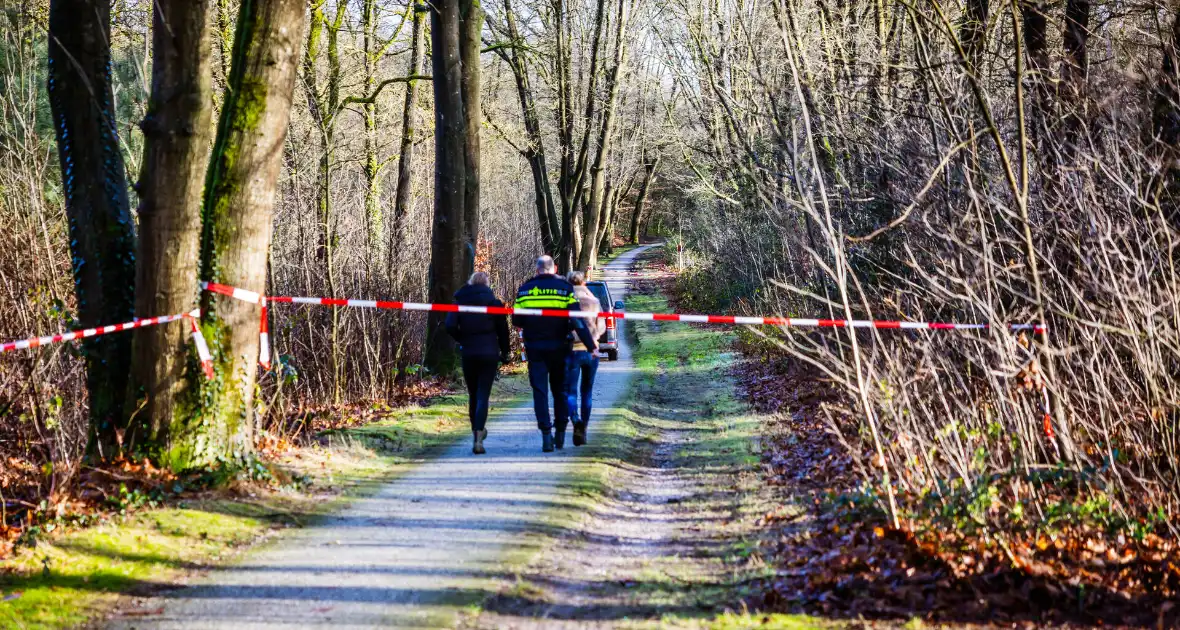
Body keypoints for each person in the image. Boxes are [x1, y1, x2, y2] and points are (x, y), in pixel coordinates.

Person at [513, 255, 599, 452]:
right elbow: (577, 321)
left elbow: (517, 320)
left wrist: (533, 322)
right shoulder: (564, 289)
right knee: (560, 390)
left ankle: (546, 435)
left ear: (537, 270)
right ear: (555, 268)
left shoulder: (525, 289)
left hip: (535, 348)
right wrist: (590, 345)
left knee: (540, 391)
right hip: (560, 348)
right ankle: (560, 433)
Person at [445, 272, 511, 455]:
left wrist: (462, 338)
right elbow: (503, 331)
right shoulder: (494, 303)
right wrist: (505, 352)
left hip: (469, 353)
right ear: (487, 285)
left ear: (470, 283)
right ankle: (478, 435)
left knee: (473, 394)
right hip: (489, 353)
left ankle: (476, 430)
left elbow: (449, 325)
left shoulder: (459, 302)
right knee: (483, 395)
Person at [564, 272, 601, 447]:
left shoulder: (566, 300)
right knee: (587, 391)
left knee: (571, 391)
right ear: (583, 282)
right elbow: (600, 327)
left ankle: (575, 419)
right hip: (591, 351)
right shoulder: (593, 301)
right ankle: (584, 429)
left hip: (572, 350)